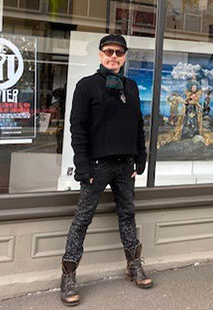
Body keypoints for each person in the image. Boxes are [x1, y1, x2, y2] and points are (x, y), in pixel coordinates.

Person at [61, 34, 152, 306]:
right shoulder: (86, 86)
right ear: (100, 55)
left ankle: (133, 265)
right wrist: (83, 165)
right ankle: (67, 276)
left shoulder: (132, 87)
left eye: (120, 52)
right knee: (82, 219)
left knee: (127, 214)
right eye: (109, 51)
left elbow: (138, 125)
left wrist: (140, 157)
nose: (114, 56)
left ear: (125, 57)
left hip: (125, 166)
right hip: (97, 167)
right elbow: (77, 129)